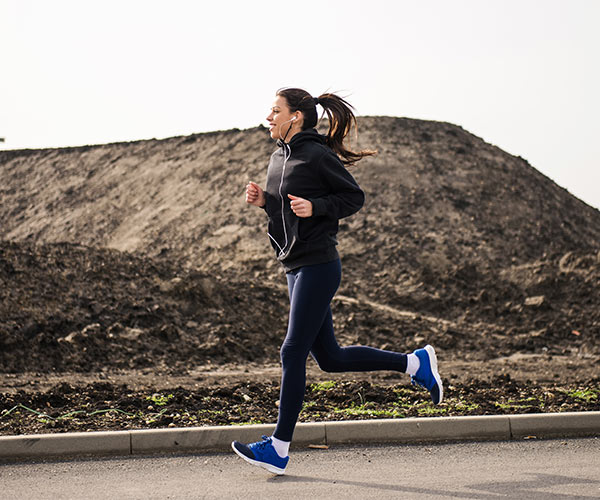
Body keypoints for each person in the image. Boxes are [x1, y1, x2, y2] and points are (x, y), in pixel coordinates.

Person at [231, 88, 442, 475]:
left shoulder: (317, 155)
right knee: (330, 358)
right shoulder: (277, 157)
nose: (269, 117)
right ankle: (415, 364)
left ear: (295, 117)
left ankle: (278, 448)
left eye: (275, 110)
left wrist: (317, 207)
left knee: (292, 352)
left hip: (319, 265)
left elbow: (352, 197)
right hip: (295, 265)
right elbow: (286, 210)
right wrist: (266, 202)